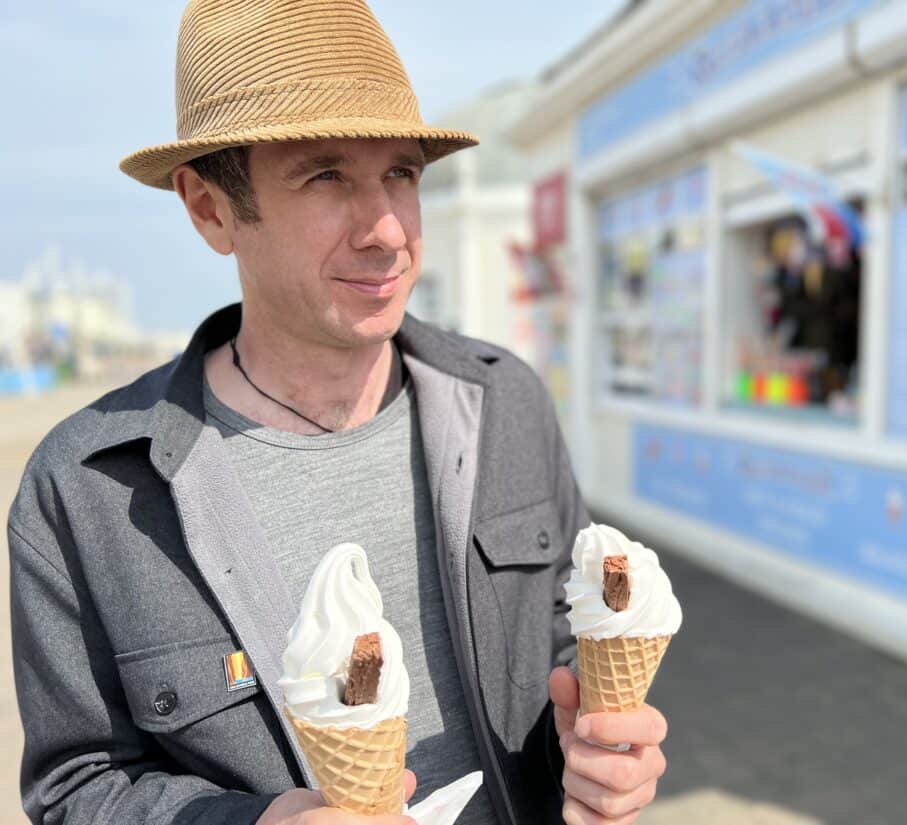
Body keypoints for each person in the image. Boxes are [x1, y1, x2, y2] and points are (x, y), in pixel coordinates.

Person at [7, 2, 669, 825]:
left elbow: (565, 643)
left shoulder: (507, 402)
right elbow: (77, 787)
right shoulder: (85, 489)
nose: (389, 230)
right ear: (209, 207)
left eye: (401, 173)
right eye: (326, 176)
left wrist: (603, 752)